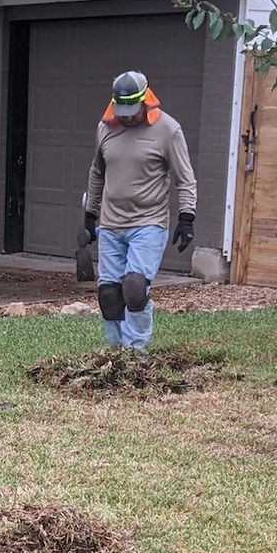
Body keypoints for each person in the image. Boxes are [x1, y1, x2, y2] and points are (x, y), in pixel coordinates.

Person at [81, 70, 197, 353]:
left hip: (149, 222)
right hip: (110, 224)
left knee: (134, 288)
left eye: (132, 110)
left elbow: (185, 177)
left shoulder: (168, 130)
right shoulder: (105, 127)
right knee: (109, 293)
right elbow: (97, 172)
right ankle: (117, 353)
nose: (127, 116)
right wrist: (89, 215)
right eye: (122, 109)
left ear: (146, 99)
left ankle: (137, 352)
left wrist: (187, 217)